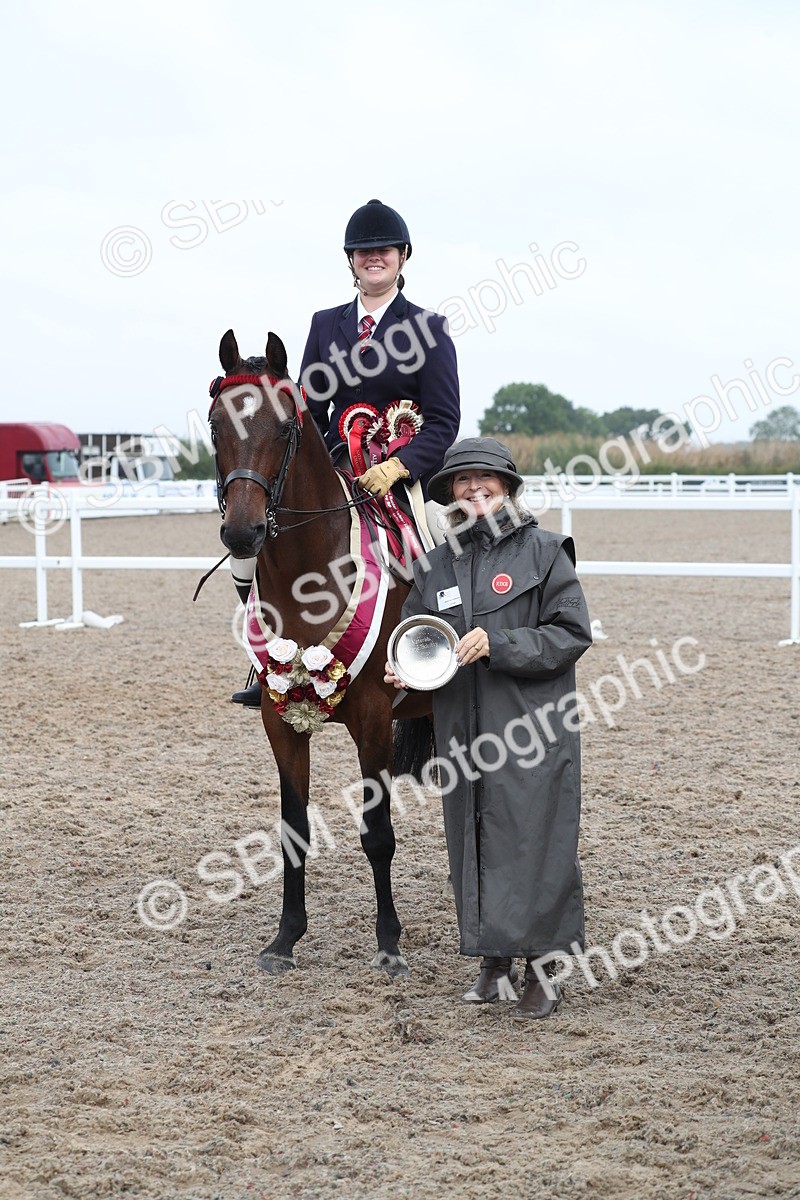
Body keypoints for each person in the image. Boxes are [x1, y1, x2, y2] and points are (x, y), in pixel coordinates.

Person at [384, 437, 592, 1020]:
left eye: (487, 482)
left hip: (532, 727)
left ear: (508, 488)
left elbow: (570, 635)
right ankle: (493, 960)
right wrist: (405, 672)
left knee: (536, 841)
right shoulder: (434, 565)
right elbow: (418, 636)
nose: (476, 492)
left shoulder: (547, 553)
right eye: (463, 483)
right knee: (472, 840)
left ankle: (547, 968)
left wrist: (498, 643)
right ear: (450, 492)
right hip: (461, 730)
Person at [231, 199, 461, 705]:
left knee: (443, 542)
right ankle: (268, 662)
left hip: (406, 474)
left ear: (403, 257)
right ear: (350, 260)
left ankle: (436, 658)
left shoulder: (430, 328)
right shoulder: (325, 323)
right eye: (362, 251)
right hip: (338, 466)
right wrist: (339, 453)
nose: (372, 257)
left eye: (382, 250)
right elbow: (309, 406)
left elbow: (445, 421)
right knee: (260, 537)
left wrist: (398, 466)